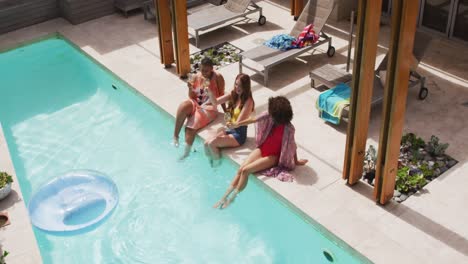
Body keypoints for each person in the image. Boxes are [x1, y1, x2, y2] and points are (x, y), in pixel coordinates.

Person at [213, 96, 308, 209]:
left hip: (273, 156)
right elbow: (254, 119)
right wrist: (237, 124)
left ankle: (232, 198)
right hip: (263, 148)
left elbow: (292, 145)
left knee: (245, 171)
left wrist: (296, 161)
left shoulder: (289, 129)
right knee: (240, 169)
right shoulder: (269, 115)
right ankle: (224, 197)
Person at [173, 57, 226, 159]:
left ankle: (186, 153)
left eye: (206, 70)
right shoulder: (197, 77)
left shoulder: (218, 77)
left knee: (190, 127)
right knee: (183, 106)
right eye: (202, 70)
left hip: (209, 108)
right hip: (196, 102)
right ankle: (175, 135)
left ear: (212, 68)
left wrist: (226, 111)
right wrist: (190, 88)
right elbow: (192, 97)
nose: (204, 73)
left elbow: (222, 95)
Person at [204, 73, 255, 165]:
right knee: (206, 143)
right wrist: (210, 93)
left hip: (239, 134)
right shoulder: (233, 95)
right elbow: (215, 102)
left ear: (246, 87)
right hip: (230, 129)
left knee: (212, 143)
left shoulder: (248, 101)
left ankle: (217, 166)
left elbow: (237, 123)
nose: (237, 88)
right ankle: (210, 164)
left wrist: (225, 126)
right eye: (236, 84)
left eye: (240, 85)